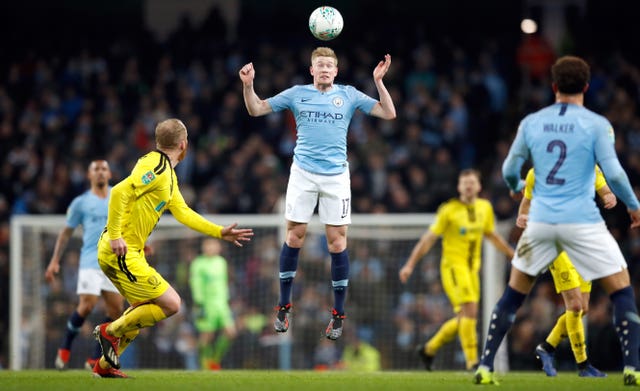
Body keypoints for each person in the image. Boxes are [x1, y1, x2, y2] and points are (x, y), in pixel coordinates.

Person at [474, 55, 640, 386]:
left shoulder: (532, 123)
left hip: (542, 223)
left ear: (553, 87)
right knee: (622, 292)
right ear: (587, 88)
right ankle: (633, 369)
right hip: (583, 223)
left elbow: (510, 169)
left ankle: (485, 366)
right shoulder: (596, 124)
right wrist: (633, 205)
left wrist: (516, 187)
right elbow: (616, 173)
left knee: (512, 295)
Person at [238, 46, 396, 340]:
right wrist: (248, 86)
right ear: (312, 70)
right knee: (294, 236)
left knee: (336, 243)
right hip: (303, 174)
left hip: (336, 177)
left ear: (336, 71)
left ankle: (337, 315)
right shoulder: (297, 93)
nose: (324, 69)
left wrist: (379, 82)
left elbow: (388, 113)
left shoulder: (348, 95)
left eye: (329, 65)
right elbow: (256, 108)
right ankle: (284, 306)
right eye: (319, 65)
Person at [91, 118, 254, 378]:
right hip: (119, 250)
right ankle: (108, 332)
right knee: (172, 304)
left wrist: (218, 231)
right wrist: (115, 236)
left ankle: (104, 367)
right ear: (183, 144)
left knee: (140, 309)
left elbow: (183, 212)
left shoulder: (167, 174)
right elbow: (120, 191)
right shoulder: (154, 165)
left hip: (129, 250)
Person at [399, 169, 515, 371]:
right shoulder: (449, 210)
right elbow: (428, 239)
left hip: (472, 271)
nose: (468, 186)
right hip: (453, 268)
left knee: (466, 316)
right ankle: (472, 362)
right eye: (464, 183)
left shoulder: (485, 208)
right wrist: (410, 264)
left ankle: (428, 349)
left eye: (472, 182)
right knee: (469, 309)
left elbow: (491, 235)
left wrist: (510, 254)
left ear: (479, 186)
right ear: (459, 187)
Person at [518, 167, 614, 377]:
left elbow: (604, 189)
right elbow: (526, 201)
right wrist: (522, 216)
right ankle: (583, 364)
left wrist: (609, 196)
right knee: (575, 305)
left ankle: (546, 347)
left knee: (583, 308)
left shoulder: (589, 165)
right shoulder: (539, 171)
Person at [44, 160, 124, 370]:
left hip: (115, 262)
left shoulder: (120, 196)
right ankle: (65, 345)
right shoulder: (80, 203)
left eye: (103, 169)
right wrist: (54, 260)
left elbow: (131, 224)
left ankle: (95, 358)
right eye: (95, 169)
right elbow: (66, 233)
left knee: (116, 310)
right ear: (89, 176)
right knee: (87, 304)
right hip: (91, 259)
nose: (100, 173)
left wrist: (141, 245)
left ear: (109, 174)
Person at [189, 238, 237, 370]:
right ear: (203, 247)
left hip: (222, 303)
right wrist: (199, 302)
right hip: (206, 303)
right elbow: (195, 283)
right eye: (208, 245)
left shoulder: (221, 262)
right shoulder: (198, 263)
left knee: (231, 333)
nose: (211, 248)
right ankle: (205, 363)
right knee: (206, 335)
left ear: (219, 247)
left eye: (213, 245)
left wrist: (227, 299)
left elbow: (224, 283)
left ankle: (215, 360)